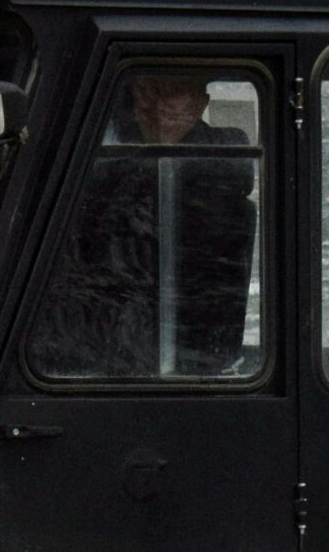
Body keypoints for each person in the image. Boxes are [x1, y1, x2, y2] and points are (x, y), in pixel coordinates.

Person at [29, 68, 259, 379]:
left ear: (199, 103)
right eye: (147, 90)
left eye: (173, 91)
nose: (156, 105)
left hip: (150, 366)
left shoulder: (214, 184)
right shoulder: (99, 169)